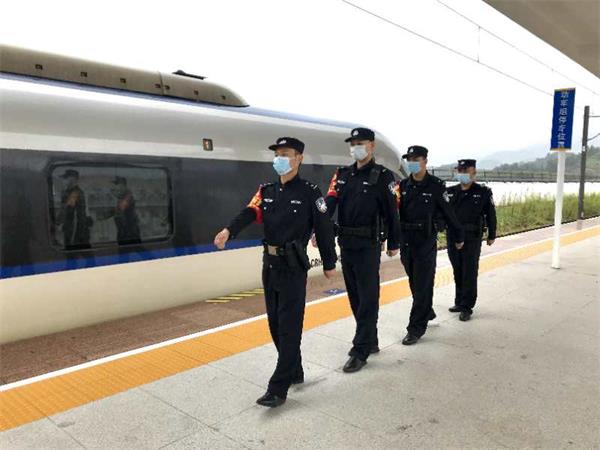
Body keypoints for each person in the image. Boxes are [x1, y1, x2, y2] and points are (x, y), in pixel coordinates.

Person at [213, 137, 337, 408]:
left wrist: (329, 262)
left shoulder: (310, 192)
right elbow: (249, 212)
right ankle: (295, 369)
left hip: (293, 267)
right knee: (275, 325)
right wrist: (229, 231)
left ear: (299, 158)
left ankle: (278, 389)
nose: (280, 158)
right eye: (277, 154)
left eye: (286, 154)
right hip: (269, 266)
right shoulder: (266, 190)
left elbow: (324, 229)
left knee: (290, 327)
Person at [324, 127, 401, 373]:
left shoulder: (384, 176)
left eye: (361, 143)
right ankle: (370, 338)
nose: (356, 147)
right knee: (355, 296)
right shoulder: (342, 175)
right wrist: (318, 227)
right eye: (353, 143)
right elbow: (329, 203)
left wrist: (394, 242)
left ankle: (360, 349)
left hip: (369, 246)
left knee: (368, 297)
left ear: (372, 146)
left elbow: (392, 212)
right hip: (346, 244)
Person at [398, 145, 464, 345]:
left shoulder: (436, 185)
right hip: (406, 241)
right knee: (414, 281)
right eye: (409, 160)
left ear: (425, 161)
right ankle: (426, 310)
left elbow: (449, 212)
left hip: (425, 242)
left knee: (423, 284)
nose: (412, 163)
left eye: (416, 159)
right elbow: (394, 213)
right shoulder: (402, 186)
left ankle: (416, 328)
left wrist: (458, 236)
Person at [446, 159, 497, 321]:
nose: (462, 174)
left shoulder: (483, 192)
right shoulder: (450, 192)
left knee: (469, 271)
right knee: (457, 270)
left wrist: (491, 234)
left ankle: (467, 306)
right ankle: (459, 301)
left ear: (474, 173)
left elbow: (491, 214)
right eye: (460, 171)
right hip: (453, 237)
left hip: (472, 238)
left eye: (465, 171)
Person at [57, 169, 91, 249]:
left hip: (75, 230)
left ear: (73, 179)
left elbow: (66, 210)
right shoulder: (69, 192)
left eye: (66, 178)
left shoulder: (75, 193)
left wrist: (57, 222)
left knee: (72, 251)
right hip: (73, 228)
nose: (64, 181)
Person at [111, 176, 141, 245]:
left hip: (129, 233)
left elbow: (121, 210)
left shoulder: (127, 196)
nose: (116, 187)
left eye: (118, 185)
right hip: (124, 233)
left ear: (123, 185)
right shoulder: (121, 196)